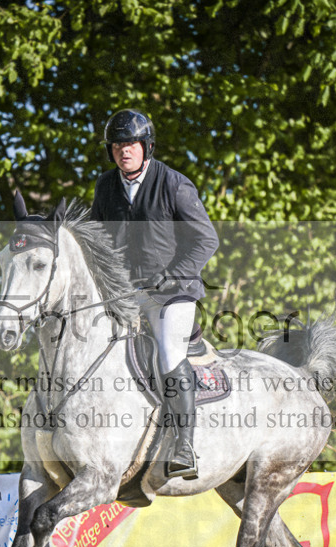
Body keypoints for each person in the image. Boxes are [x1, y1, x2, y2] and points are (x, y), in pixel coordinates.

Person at [90, 109, 219, 479]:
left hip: (173, 293)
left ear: (146, 146)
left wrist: (173, 274)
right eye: (116, 145)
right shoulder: (105, 187)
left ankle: (184, 447)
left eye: (129, 144)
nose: (122, 151)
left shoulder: (175, 184)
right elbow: (98, 241)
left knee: (168, 351)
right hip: (126, 295)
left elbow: (207, 239)